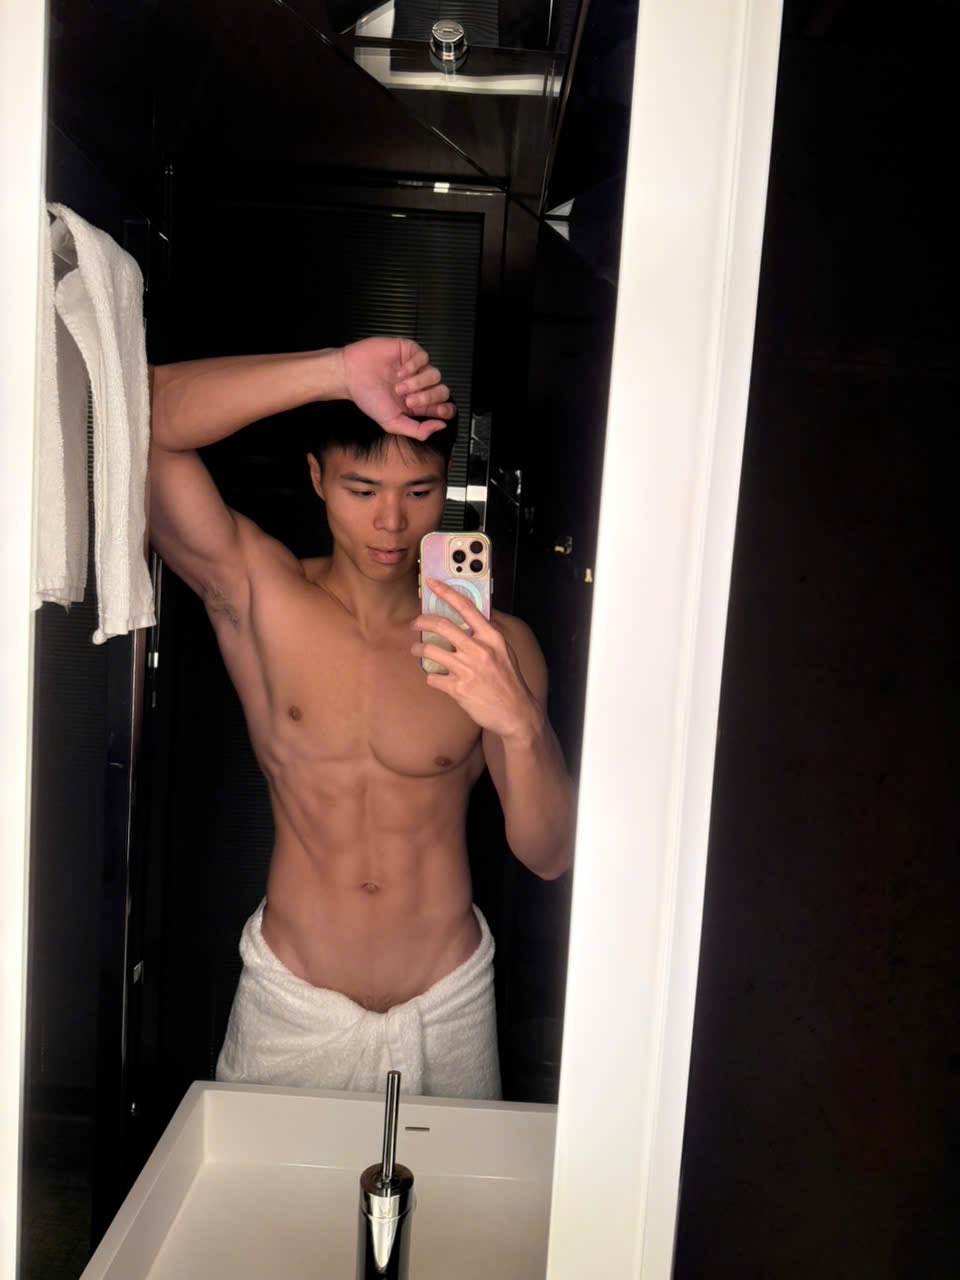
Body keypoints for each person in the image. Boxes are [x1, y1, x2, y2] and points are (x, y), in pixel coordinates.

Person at [148, 337, 575, 1099]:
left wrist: (519, 722)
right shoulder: (259, 595)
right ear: (317, 477)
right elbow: (143, 417)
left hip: (447, 1002)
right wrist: (337, 373)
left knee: (453, 1187)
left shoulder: (494, 645)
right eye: (362, 487)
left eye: (419, 490)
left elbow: (550, 854)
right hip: (293, 1001)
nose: (391, 521)